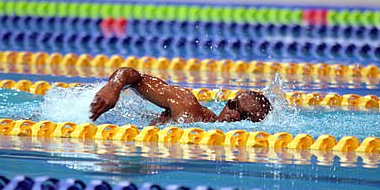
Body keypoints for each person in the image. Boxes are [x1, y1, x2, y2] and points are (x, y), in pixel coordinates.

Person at [89, 67, 272, 125]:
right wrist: (113, 86)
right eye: (232, 104)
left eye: (243, 116)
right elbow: (134, 77)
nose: (232, 113)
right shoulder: (187, 105)